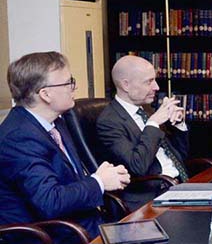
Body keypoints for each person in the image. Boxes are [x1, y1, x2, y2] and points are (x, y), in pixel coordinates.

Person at [0, 52, 130, 241]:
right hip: (54, 235)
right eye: (68, 82)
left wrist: (107, 177)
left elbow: (69, 180)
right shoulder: (19, 138)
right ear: (45, 94)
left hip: (84, 225)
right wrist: (99, 182)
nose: (74, 87)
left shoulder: (57, 122)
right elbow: (50, 202)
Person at [96, 55, 189, 210]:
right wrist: (153, 123)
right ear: (126, 85)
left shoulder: (145, 109)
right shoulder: (109, 122)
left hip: (178, 185)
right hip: (151, 196)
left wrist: (179, 124)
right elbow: (137, 166)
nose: (157, 87)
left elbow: (180, 157)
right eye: (149, 82)